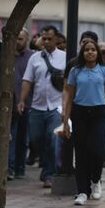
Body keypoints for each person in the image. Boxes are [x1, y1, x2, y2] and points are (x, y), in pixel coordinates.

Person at [64, 39, 105, 205]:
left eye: (93, 50)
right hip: (79, 113)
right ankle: (82, 191)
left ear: (97, 53)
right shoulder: (75, 71)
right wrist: (65, 121)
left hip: (98, 113)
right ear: (82, 52)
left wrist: (103, 106)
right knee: (81, 153)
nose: (90, 52)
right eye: (87, 50)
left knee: (98, 151)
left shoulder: (104, 71)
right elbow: (69, 96)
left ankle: (96, 180)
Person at [18, 25, 66, 188]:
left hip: (56, 106)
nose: (46, 41)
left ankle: (49, 173)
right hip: (37, 106)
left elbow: (69, 84)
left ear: (57, 39)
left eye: (49, 38)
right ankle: (48, 167)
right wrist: (22, 100)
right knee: (36, 140)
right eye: (43, 38)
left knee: (52, 139)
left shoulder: (65, 57)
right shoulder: (35, 58)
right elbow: (27, 80)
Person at [9, 29, 34, 180]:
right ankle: (10, 168)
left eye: (20, 39)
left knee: (24, 138)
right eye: (16, 39)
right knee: (11, 136)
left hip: (29, 103)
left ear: (27, 39)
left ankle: (20, 168)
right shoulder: (8, 56)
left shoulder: (33, 57)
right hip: (11, 104)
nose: (17, 42)